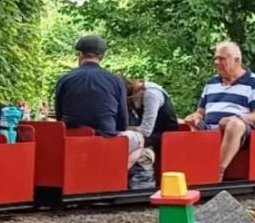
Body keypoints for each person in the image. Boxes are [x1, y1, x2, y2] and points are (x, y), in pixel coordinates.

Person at [53, 35, 150, 175]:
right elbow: (122, 119)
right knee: (139, 138)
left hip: (72, 137)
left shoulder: (64, 79)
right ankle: (118, 173)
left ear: (79, 55)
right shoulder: (115, 80)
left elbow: (59, 115)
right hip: (105, 136)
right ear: (102, 57)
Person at [181, 41, 255, 176]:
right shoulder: (212, 82)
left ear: (237, 60)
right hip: (209, 129)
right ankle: (181, 172)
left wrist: (235, 118)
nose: (216, 62)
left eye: (221, 59)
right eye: (215, 58)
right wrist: (195, 117)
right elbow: (201, 112)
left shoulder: (252, 81)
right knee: (178, 123)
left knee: (235, 124)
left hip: (239, 133)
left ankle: (216, 173)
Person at [124, 77, 180, 150]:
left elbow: (146, 131)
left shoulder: (151, 94)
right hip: (151, 133)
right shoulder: (136, 94)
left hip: (165, 136)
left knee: (126, 141)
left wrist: (123, 129)